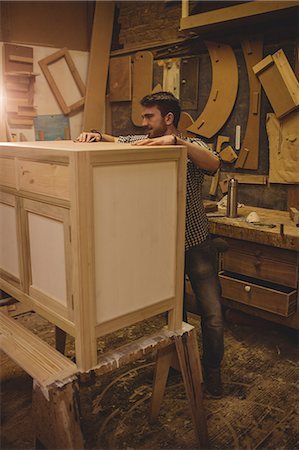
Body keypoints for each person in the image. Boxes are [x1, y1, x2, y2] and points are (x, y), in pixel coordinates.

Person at [77, 91, 224, 398]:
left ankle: (212, 374)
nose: (143, 123)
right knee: (173, 316)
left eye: (149, 117)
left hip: (196, 243)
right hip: (163, 250)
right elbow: (118, 140)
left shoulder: (191, 145)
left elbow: (214, 162)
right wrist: (95, 135)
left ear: (168, 118)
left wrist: (175, 143)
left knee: (212, 315)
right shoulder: (144, 141)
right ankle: (179, 365)